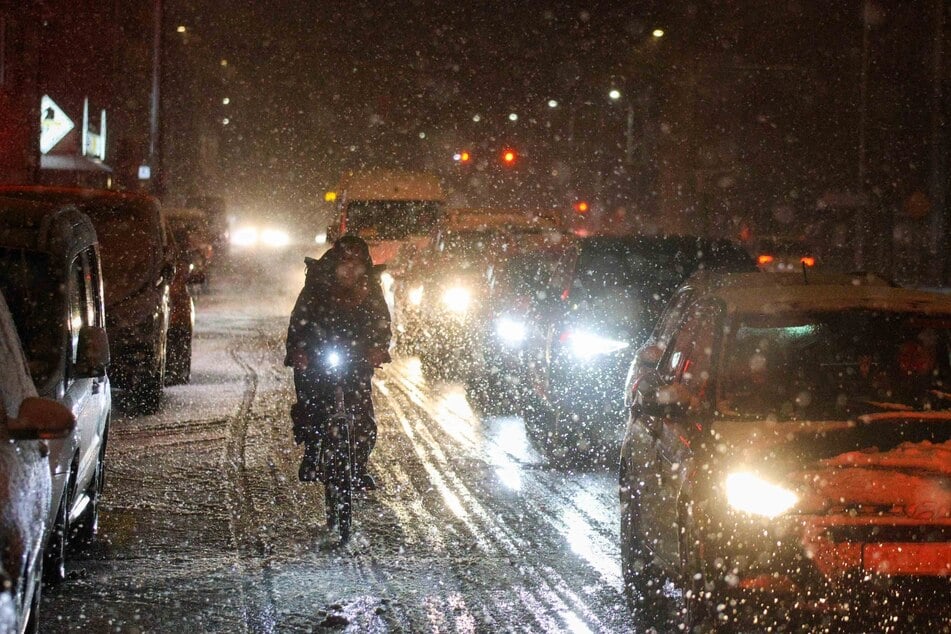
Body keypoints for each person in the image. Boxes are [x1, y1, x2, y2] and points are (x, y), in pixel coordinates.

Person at [284, 235, 391, 490]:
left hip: (356, 356)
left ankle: (358, 467)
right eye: (345, 260)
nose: (351, 267)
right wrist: (298, 351)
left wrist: (378, 348)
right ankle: (312, 452)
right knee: (312, 403)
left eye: (357, 262)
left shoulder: (371, 289)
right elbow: (300, 318)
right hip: (318, 353)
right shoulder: (317, 285)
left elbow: (381, 322)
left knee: (362, 415)